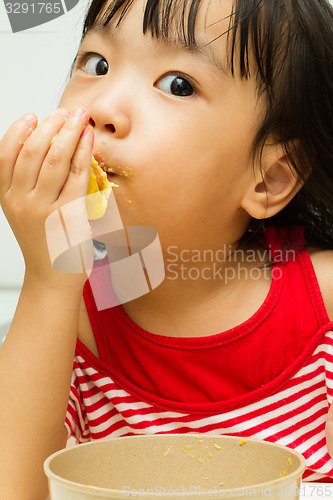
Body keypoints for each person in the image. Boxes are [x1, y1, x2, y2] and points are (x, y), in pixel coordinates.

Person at [0, 0, 333, 497]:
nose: (102, 109)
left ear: (269, 179)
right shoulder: (72, 316)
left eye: (178, 84)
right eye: (97, 63)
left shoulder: (322, 301)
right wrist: (49, 279)